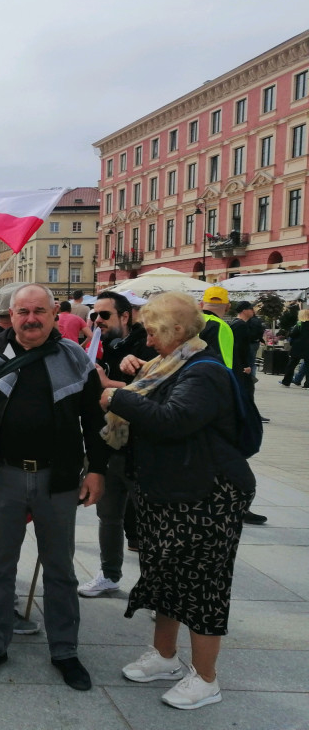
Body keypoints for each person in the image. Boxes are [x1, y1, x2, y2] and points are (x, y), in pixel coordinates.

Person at [100, 292, 256, 710]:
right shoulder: (171, 363)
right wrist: (130, 376)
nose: (147, 342)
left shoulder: (204, 372)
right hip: (171, 491)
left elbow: (174, 420)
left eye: (152, 333)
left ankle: (206, 678)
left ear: (176, 331)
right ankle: (166, 657)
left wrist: (120, 397)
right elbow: (155, 392)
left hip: (207, 497)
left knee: (204, 587)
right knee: (164, 577)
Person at [0, 283, 107, 691]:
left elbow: (94, 419)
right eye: (23, 312)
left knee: (60, 570)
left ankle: (65, 650)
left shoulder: (74, 358)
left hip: (58, 479)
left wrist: (97, 470)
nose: (32, 319)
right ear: (11, 314)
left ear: (55, 313)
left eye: (40, 311)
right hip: (1, 476)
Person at [77, 291, 157, 598]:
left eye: (104, 315)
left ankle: (155, 587)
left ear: (125, 316)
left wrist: (109, 385)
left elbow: (156, 391)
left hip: (142, 448)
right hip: (111, 444)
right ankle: (110, 574)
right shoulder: (103, 346)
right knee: (107, 515)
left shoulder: (145, 345)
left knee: (149, 522)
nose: (97, 320)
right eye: (94, 315)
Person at [201, 287, 269, 523]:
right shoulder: (221, 327)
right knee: (231, 453)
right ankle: (237, 504)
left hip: (188, 396)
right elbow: (225, 368)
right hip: (215, 400)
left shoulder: (192, 322)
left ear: (203, 303)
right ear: (227, 307)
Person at [279, 309, 309, 388]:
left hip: (298, 347)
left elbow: (293, 334)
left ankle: (286, 382)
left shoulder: (299, 324)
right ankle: (307, 385)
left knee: (291, 365)